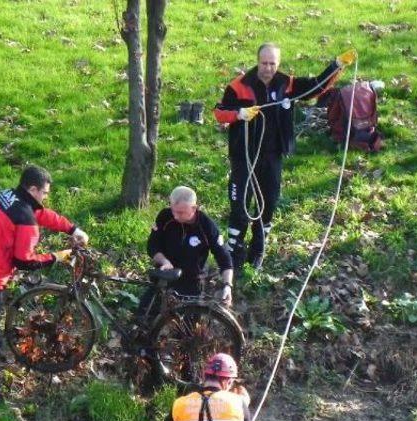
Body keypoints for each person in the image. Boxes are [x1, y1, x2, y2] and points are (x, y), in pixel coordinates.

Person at [214, 43, 357, 271]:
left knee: (268, 203)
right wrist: (238, 114)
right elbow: (219, 113)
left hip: (273, 155)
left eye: (272, 63)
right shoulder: (238, 86)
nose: (268, 68)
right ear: (257, 60)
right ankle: (235, 251)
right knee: (239, 205)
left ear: (278, 63)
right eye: (264, 63)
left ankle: (258, 249)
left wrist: (336, 65)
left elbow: (315, 88)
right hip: (244, 156)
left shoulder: (286, 84)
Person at [0, 165, 88, 402]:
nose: (46, 197)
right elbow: (24, 261)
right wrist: (57, 256)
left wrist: (72, 228)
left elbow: (40, 213)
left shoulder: (8, 197)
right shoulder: (26, 220)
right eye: (44, 192)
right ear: (33, 189)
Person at [141, 185, 234, 315]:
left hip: (191, 280)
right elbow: (152, 245)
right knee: (144, 315)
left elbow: (224, 258)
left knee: (189, 326)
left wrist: (227, 286)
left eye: (181, 212)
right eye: (174, 211)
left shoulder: (207, 226)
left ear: (194, 208)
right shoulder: (165, 216)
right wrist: (164, 261)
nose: (176, 216)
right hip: (165, 275)